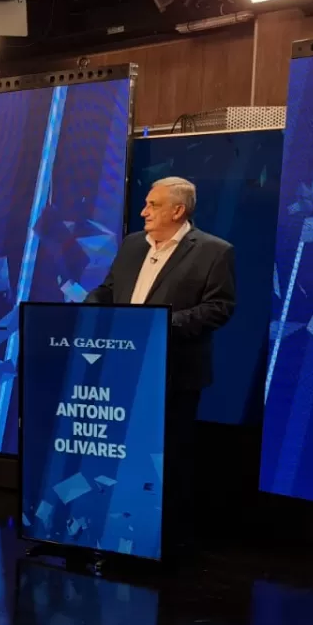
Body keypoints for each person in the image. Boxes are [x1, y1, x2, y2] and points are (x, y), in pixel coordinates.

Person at [85, 176, 236, 543]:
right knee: (119, 454)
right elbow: (108, 290)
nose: (144, 211)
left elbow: (220, 307)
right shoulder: (133, 244)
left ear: (177, 210)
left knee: (166, 459)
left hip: (173, 374)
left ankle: (162, 539)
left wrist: (162, 324)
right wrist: (86, 313)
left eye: (152, 205)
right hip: (121, 368)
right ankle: (112, 530)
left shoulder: (214, 251)